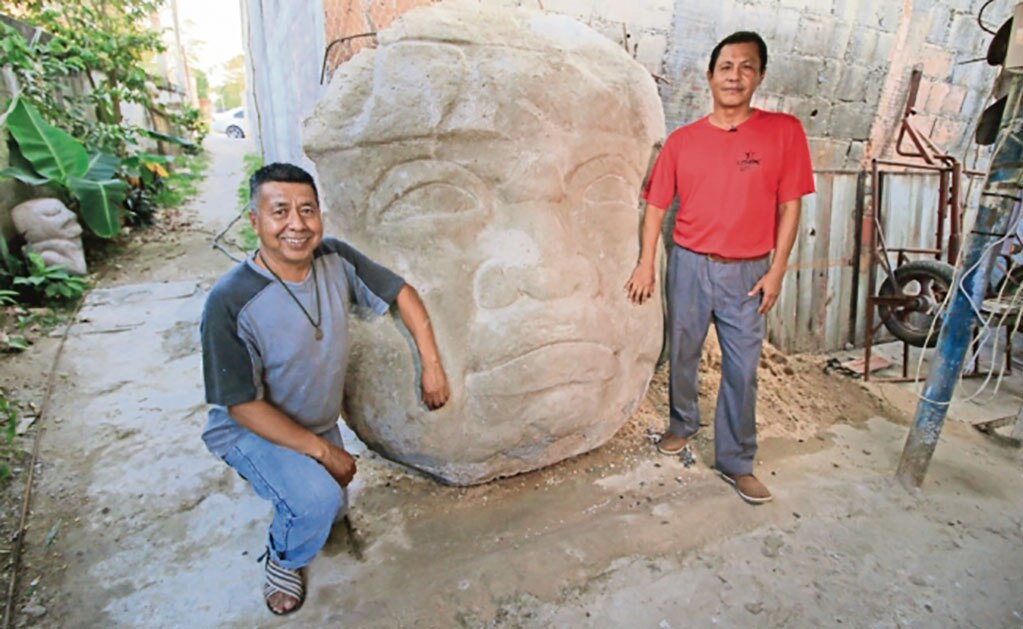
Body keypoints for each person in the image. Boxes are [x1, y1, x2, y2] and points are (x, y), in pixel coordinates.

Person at [200, 162, 450, 615]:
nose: (296, 224)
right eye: (280, 212)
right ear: (255, 221)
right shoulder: (228, 301)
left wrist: (431, 366)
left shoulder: (335, 258)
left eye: (307, 210)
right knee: (315, 504)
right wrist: (324, 451)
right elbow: (242, 407)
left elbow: (403, 294)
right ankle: (281, 558)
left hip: (311, 419)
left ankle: (298, 492)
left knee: (330, 510)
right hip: (248, 430)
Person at [625, 31, 815, 505]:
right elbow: (655, 205)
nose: (735, 76)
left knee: (743, 368)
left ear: (760, 75)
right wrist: (647, 262)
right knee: (683, 352)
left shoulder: (783, 131)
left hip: (748, 273)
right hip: (688, 264)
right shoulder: (682, 141)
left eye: (746, 66)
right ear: (710, 76)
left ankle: (736, 461)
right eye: (726, 67)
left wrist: (777, 270)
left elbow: (790, 207)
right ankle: (682, 424)